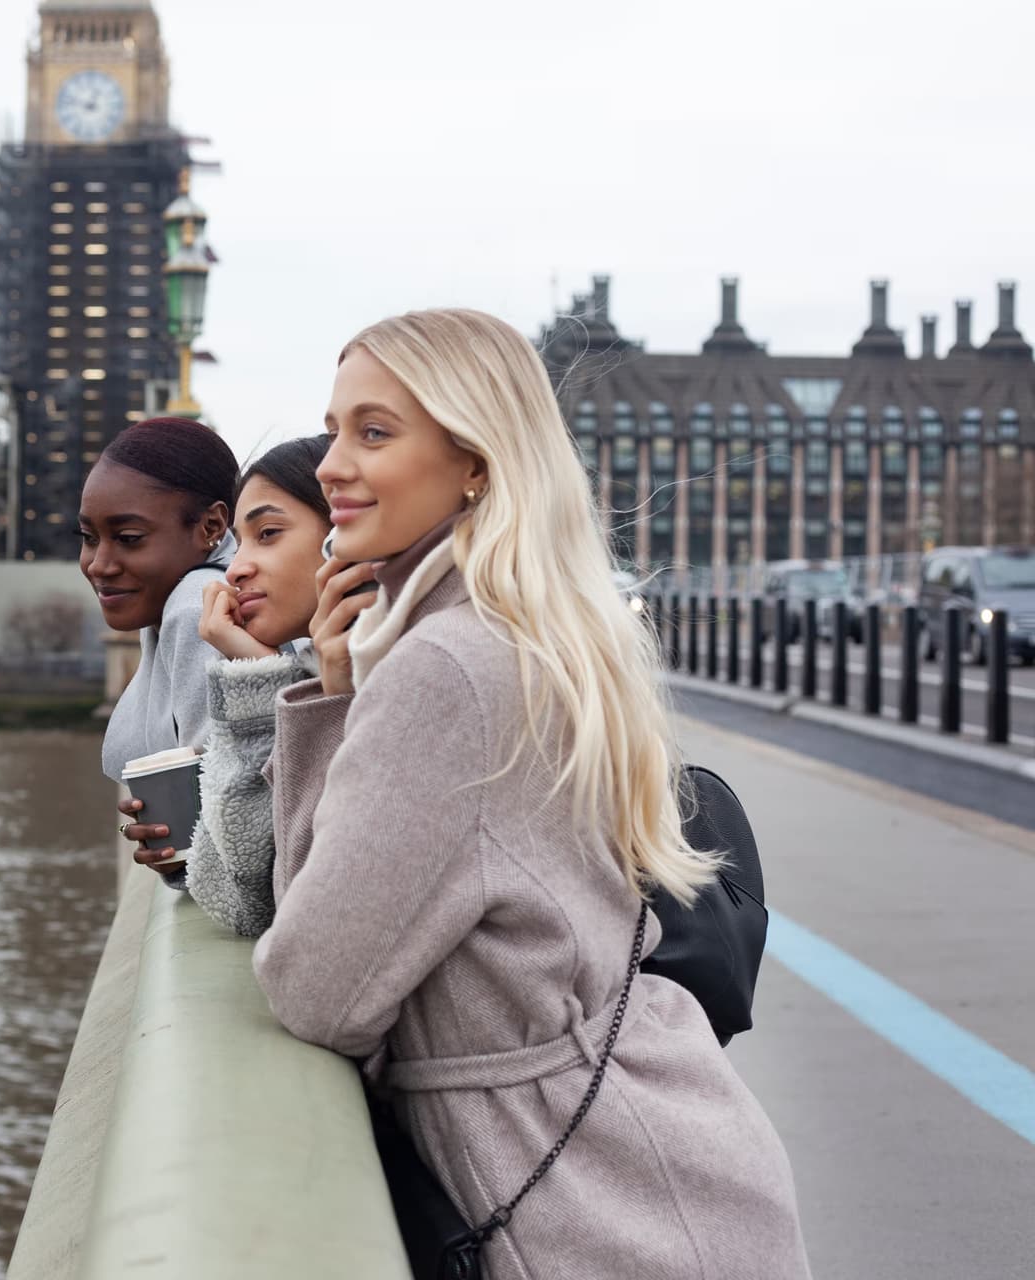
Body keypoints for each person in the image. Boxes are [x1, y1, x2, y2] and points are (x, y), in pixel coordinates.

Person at [253, 309, 810, 1279]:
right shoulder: (513, 629)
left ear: (476, 460)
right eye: (334, 429)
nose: (333, 464)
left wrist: (327, 711)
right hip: (650, 1167)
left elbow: (312, 985)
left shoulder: (447, 669)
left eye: (374, 432)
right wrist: (337, 695)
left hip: (602, 1209)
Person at [128, 435, 373, 936]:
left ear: (345, 535)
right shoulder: (318, 670)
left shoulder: (398, 679)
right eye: (240, 543)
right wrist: (257, 667)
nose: (237, 568)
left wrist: (263, 678)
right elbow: (243, 888)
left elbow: (277, 899)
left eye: (269, 533)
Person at [80, 417, 239, 787]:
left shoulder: (197, 606)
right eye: (88, 536)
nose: (98, 564)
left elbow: (222, 796)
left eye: (129, 538)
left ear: (211, 527)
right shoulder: (171, 601)